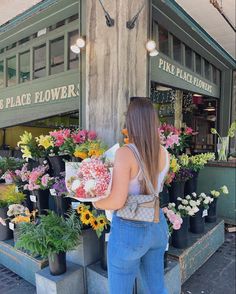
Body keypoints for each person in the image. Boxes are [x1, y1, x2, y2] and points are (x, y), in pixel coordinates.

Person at [94, 97, 170, 294]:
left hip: (130, 228)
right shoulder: (164, 153)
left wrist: (96, 202)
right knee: (157, 288)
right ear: (153, 122)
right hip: (157, 223)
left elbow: (118, 201)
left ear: (132, 122)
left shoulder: (126, 153)